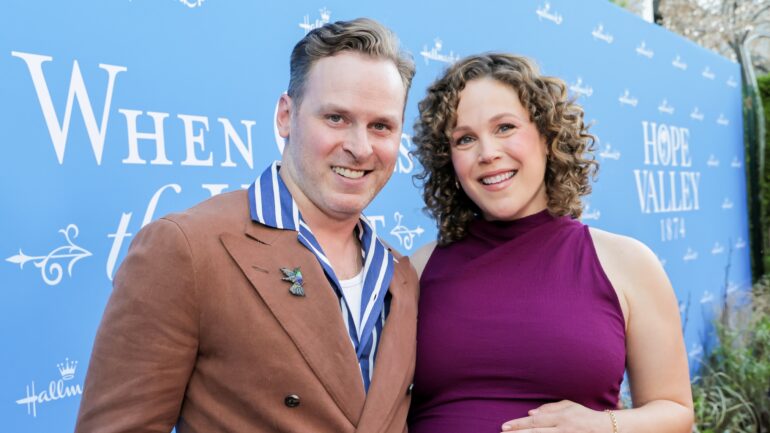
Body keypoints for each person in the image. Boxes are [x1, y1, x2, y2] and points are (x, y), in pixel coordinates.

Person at [75, 18, 419, 433]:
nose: (360, 147)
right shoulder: (187, 248)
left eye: (381, 126)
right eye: (336, 118)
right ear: (285, 116)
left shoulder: (400, 274)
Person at [406, 53, 693, 433]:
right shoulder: (419, 268)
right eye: (465, 139)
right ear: (449, 161)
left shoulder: (626, 263)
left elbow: (674, 410)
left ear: (547, 137)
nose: (487, 153)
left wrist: (601, 426)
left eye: (505, 127)